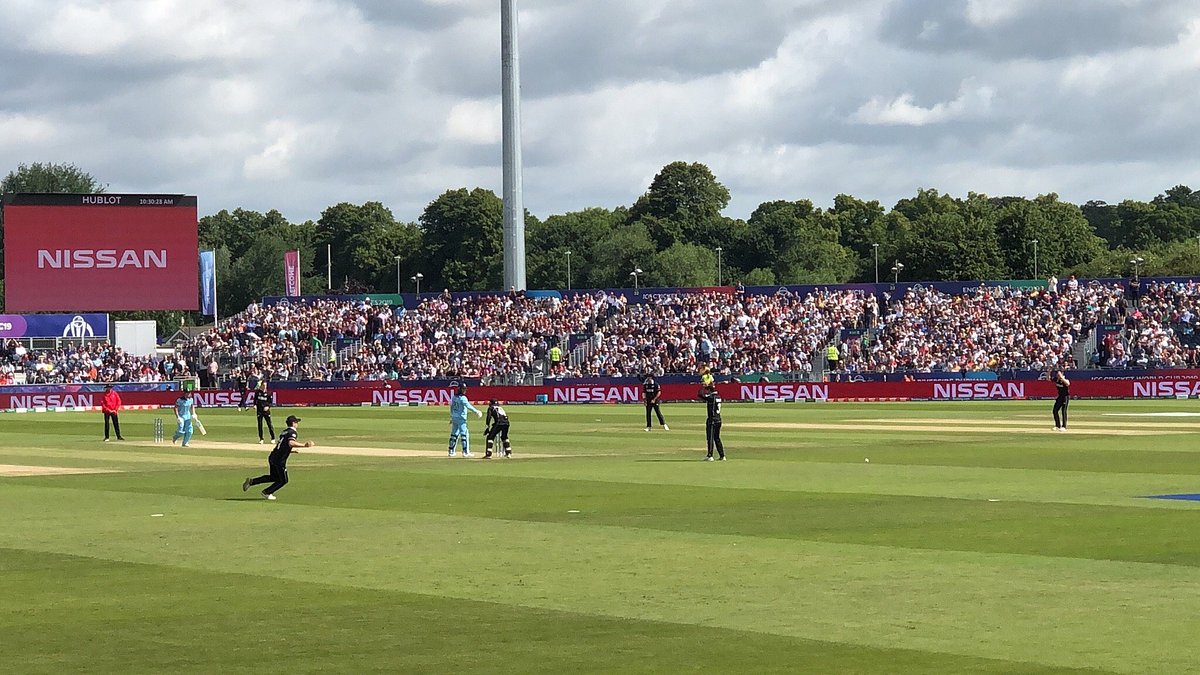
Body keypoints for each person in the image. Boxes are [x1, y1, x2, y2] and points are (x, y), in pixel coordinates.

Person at [243, 415, 313, 500]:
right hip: (279, 460)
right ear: (293, 423)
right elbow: (291, 443)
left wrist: (291, 451)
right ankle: (267, 492)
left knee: (274, 477)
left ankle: (252, 481)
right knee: (283, 480)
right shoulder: (292, 432)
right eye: (296, 422)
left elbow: (282, 446)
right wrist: (304, 445)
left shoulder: (284, 432)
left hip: (273, 456)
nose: (297, 424)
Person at [448, 383, 482, 457]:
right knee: (464, 434)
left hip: (455, 417)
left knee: (454, 434)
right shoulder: (463, 398)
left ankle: (451, 451)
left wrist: (451, 417)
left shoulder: (454, 397)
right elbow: (468, 406)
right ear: (460, 389)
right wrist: (476, 411)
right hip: (461, 418)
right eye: (463, 389)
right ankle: (465, 452)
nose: (465, 391)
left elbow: (452, 407)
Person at [699, 383, 725, 461]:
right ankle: (722, 455)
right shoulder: (718, 397)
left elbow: (700, 395)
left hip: (712, 420)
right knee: (717, 438)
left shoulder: (711, 397)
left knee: (710, 438)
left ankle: (710, 455)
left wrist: (703, 387)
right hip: (719, 419)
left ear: (710, 390)